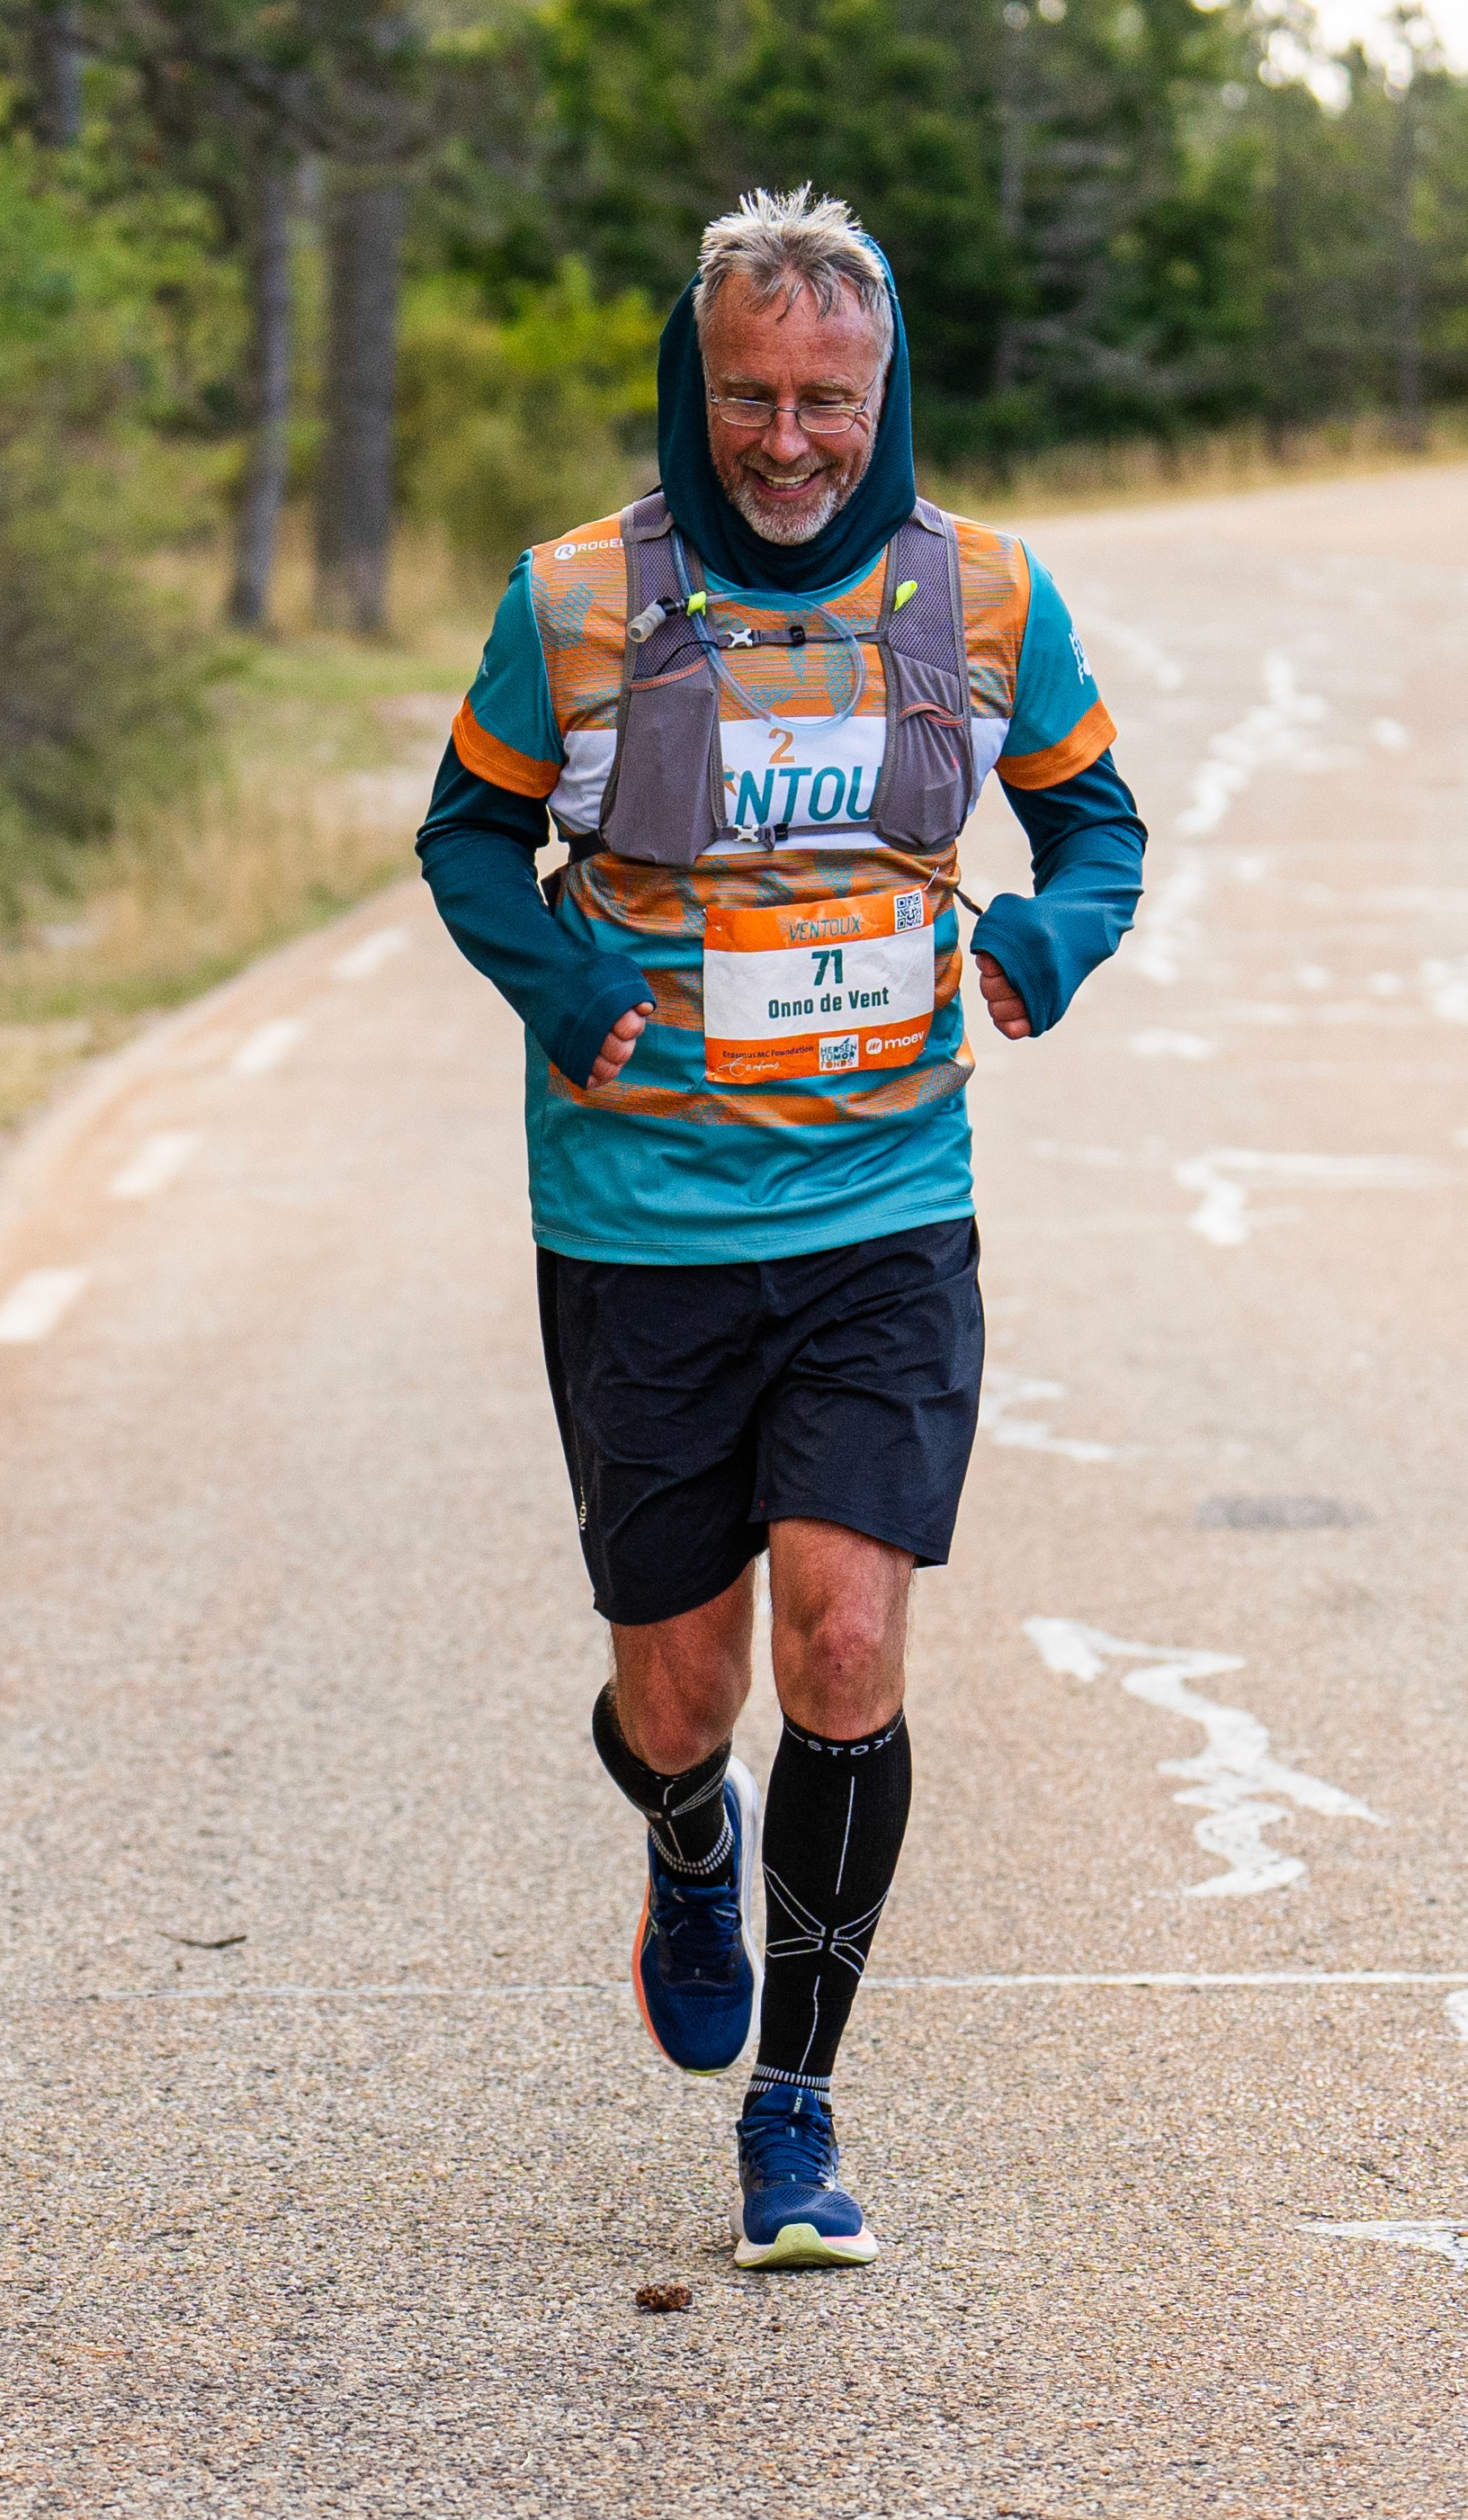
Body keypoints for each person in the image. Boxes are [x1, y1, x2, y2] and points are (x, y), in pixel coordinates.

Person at [417, 190, 1144, 2269]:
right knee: (680, 1686)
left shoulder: (983, 600)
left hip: (883, 1201)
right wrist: (559, 985)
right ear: (695, 378)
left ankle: (795, 2114)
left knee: (843, 1631)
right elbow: (467, 832)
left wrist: (1048, 933)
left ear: (881, 385)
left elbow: (1096, 821)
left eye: (828, 397)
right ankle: (677, 1825)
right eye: (750, 395)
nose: (791, 438)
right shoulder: (572, 601)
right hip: (638, 1218)